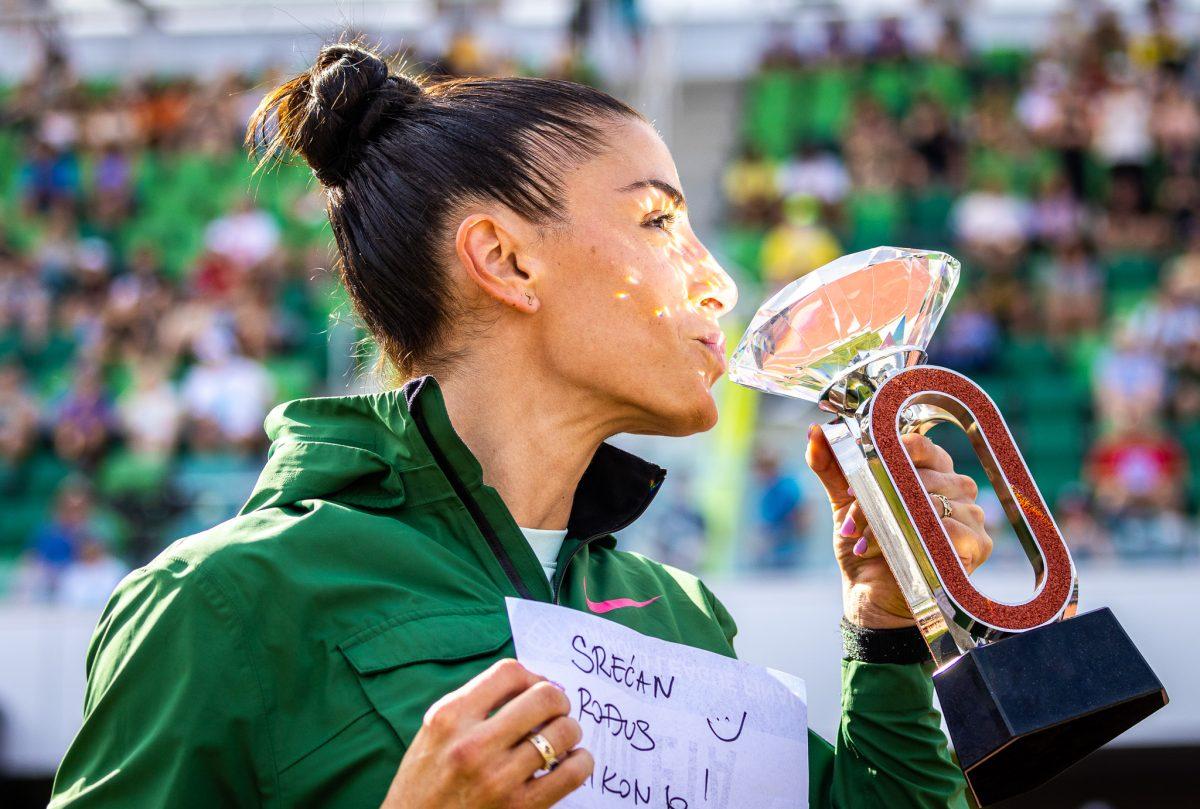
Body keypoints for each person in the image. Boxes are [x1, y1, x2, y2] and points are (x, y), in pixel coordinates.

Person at [50, 45, 992, 808]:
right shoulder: (223, 602)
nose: (718, 280)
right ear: (504, 259)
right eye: (659, 221)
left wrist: (887, 628)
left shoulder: (677, 614)